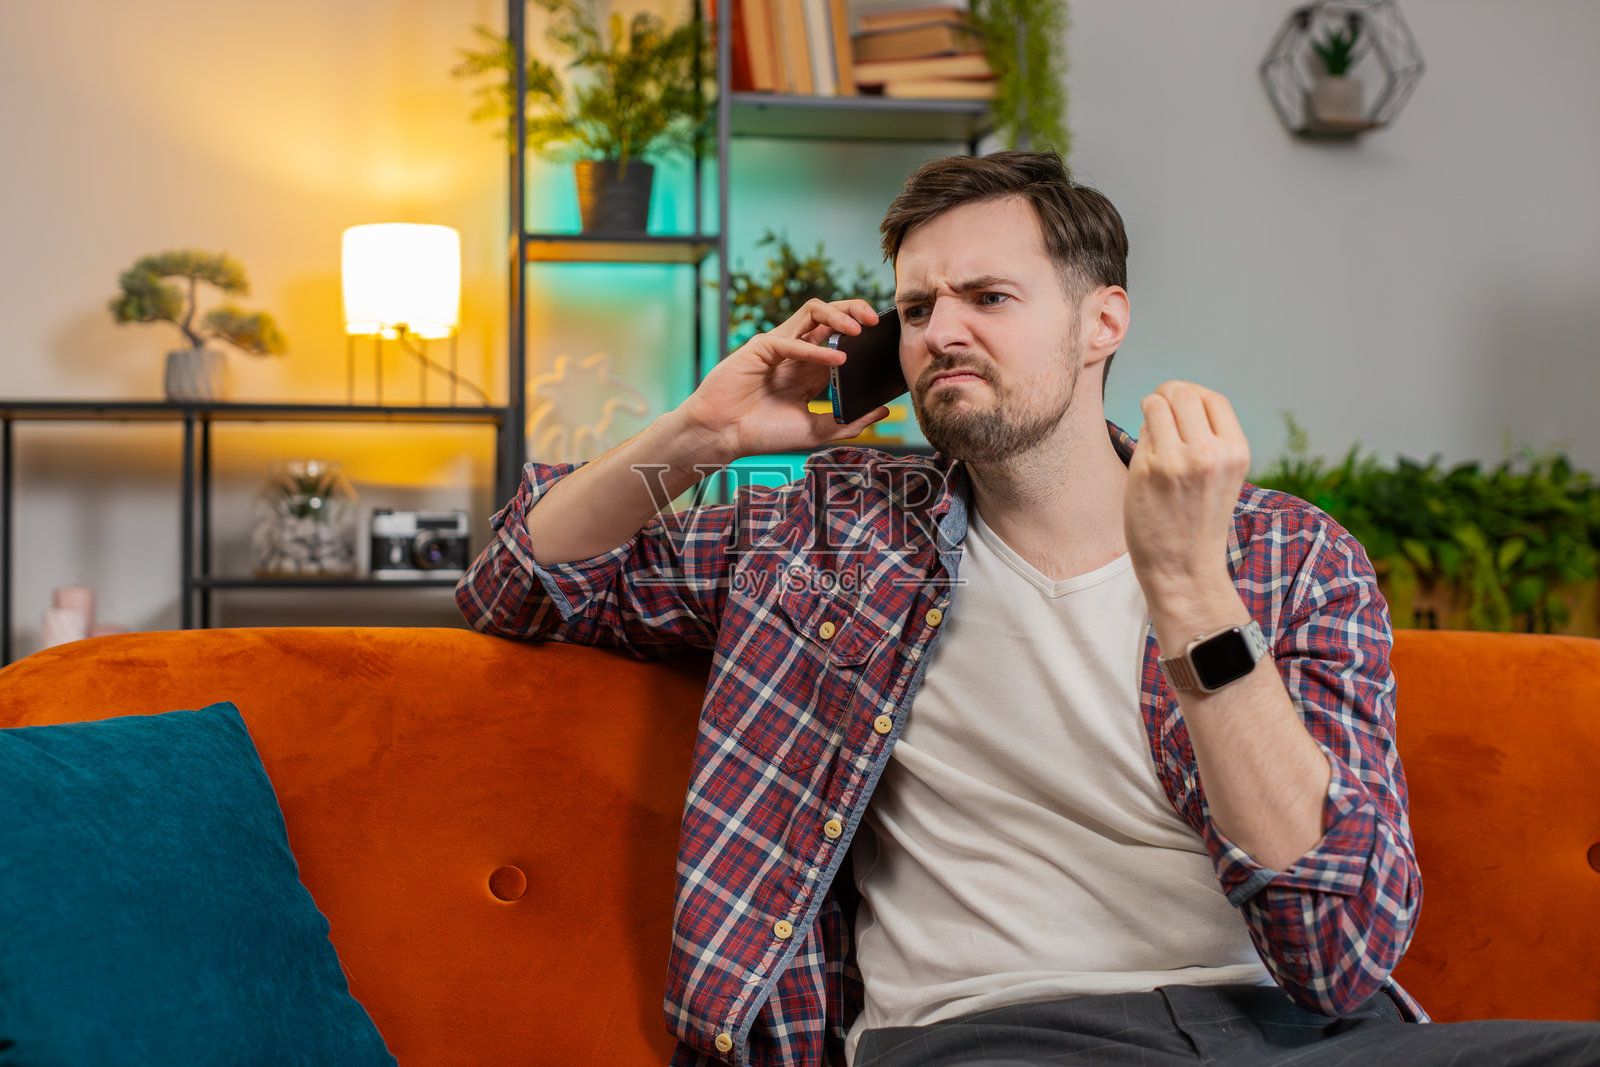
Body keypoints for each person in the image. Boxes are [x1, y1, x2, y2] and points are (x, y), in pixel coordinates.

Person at [457, 150, 1600, 1067]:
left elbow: (1341, 956)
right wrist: (699, 434)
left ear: (1103, 320)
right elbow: (520, 579)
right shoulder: (823, 531)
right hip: (990, 1031)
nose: (940, 330)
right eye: (916, 307)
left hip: (1292, 1030)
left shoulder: (1289, 553)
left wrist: (1191, 587)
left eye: (989, 296)